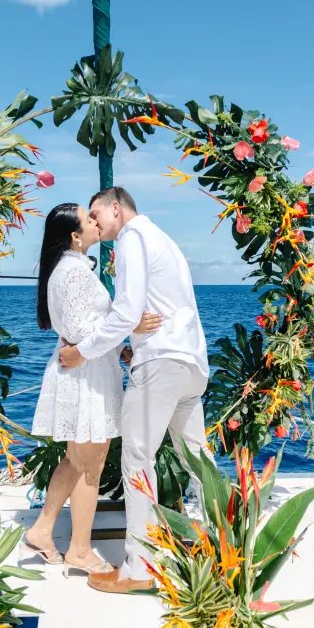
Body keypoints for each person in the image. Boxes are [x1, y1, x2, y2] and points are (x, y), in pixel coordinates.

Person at [59, 187, 212, 594]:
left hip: (162, 363)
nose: (94, 222)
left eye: (96, 213)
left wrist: (82, 352)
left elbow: (128, 309)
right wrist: (133, 346)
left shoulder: (131, 238)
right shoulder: (162, 238)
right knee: (199, 461)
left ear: (115, 207)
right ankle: (225, 547)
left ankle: (139, 568)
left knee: (137, 460)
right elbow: (163, 306)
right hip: (191, 362)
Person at [23, 202, 161, 578]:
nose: (95, 222)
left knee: (77, 460)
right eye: (88, 220)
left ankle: (41, 530)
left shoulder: (72, 270)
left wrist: (123, 348)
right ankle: (80, 551)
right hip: (85, 376)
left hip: (88, 369)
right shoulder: (72, 274)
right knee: (90, 466)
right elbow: (84, 332)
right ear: (74, 236)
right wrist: (133, 328)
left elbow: (89, 326)